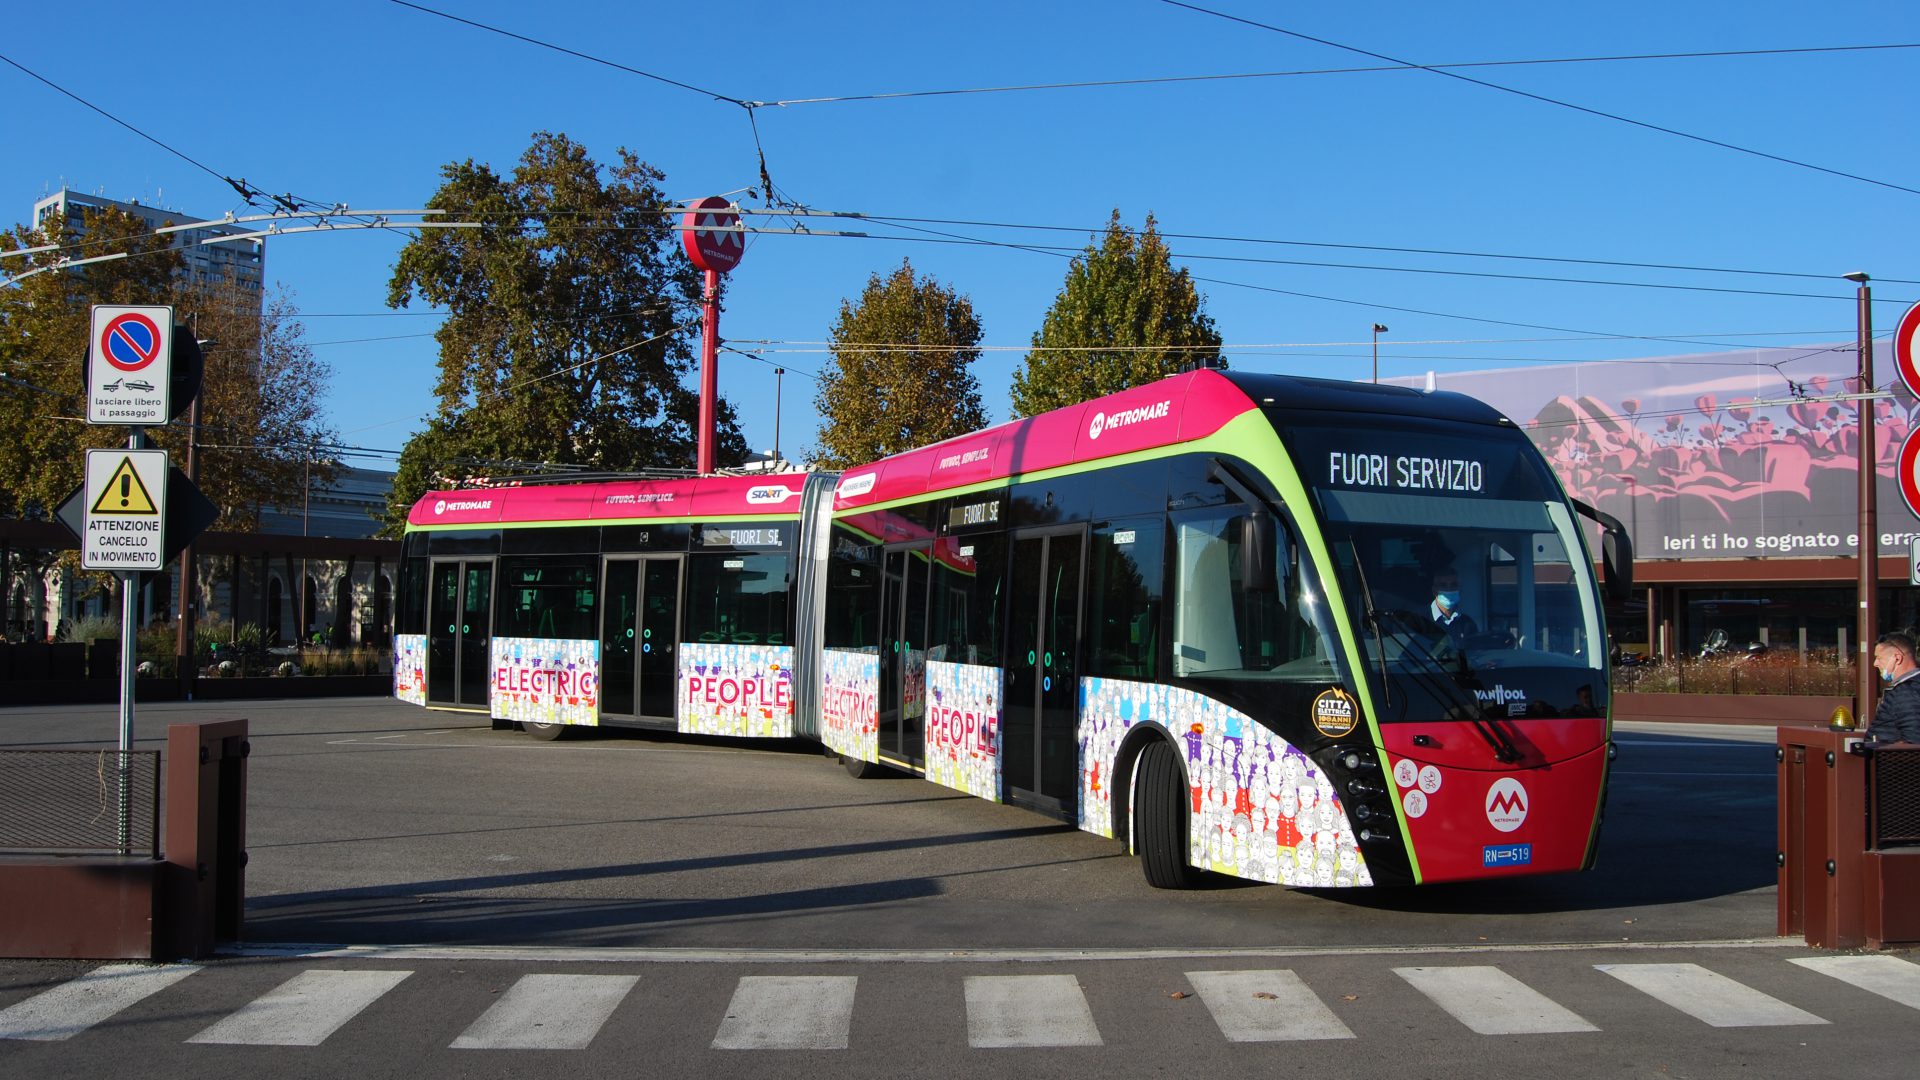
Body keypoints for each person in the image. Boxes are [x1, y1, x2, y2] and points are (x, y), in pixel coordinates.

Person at [1870, 632, 1920, 745]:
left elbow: (1914, 740)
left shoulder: (1906, 692)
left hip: (1890, 760)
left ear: (1897, 658)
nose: (1875, 663)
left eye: (1878, 658)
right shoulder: (1910, 687)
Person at [1428, 568, 1478, 646]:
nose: (1449, 589)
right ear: (1434, 590)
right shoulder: (1420, 619)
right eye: (1443, 585)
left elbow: (1475, 653)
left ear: (1459, 589)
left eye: (1453, 585)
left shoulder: (1467, 623)